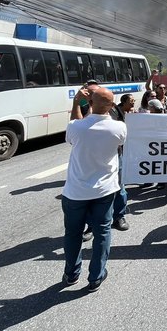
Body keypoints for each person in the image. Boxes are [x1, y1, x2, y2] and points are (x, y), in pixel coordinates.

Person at [62, 87, 126, 291]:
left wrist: (76, 103)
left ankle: (71, 274)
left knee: (73, 234)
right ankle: (96, 277)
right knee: (102, 232)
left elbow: (75, 126)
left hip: (75, 192)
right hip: (104, 191)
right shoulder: (119, 128)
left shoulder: (76, 127)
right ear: (112, 105)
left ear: (90, 103)